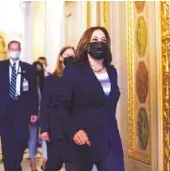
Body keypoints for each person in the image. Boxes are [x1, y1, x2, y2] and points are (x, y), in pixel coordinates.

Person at [61, 26, 124, 171]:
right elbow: (61, 106)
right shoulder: (73, 71)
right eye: (94, 39)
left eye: (103, 40)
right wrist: (74, 130)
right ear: (86, 43)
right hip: (82, 141)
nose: (99, 43)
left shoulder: (112, 72)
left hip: (109, 141)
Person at [0, 40, 39, 171]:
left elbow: (33, 92)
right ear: (8, 50)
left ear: (20, 50)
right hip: (4, 108)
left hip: (22, 108)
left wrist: (34, 112)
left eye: (17, 49)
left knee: (22, 139)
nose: (14, 51)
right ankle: (10, 168)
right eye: (12, 49)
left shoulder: (28, 68)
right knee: (6, 141)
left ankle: (16, 164)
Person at [40, 46, 77, 171]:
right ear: (61, 58)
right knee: (54, 164)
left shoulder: (79, 78)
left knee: (73, 164)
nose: (70, 58)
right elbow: (44, 105)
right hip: (55, 129)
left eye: (72, 55)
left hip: (74, 129)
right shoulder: (51, 79)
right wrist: (44, 129)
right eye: (67, 55)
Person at [28, 61, 45, 171]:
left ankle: (45, 161)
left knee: (44, 138)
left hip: (44, 114)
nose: (38, 71)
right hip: (33, 115)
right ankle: (32, 161)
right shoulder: (29, 83)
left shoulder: (46, 82)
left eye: (40, 69)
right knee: (32, 139)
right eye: (36, 69)